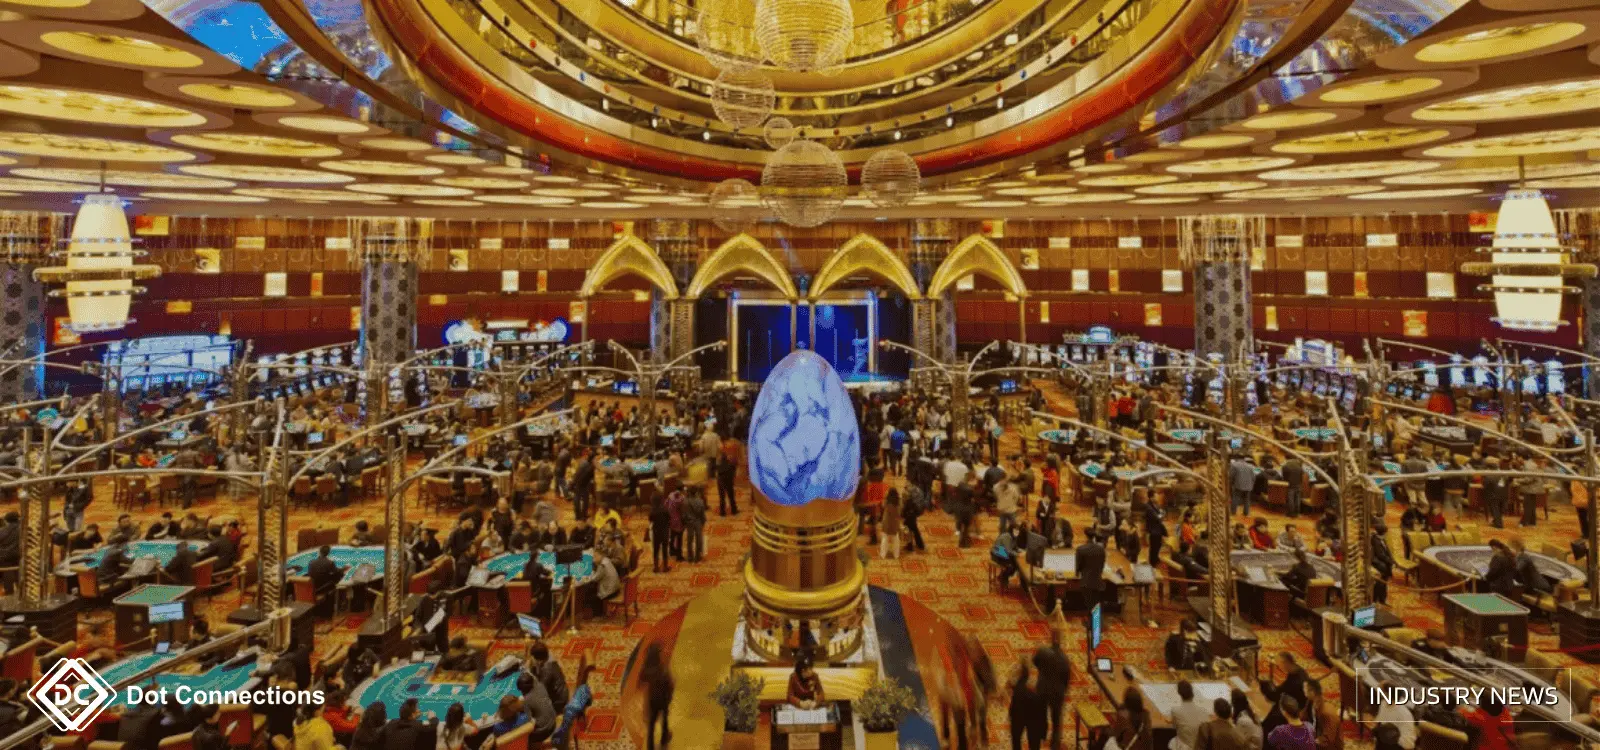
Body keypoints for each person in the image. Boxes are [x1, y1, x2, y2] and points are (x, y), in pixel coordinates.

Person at [1033, 629, 1071, 750]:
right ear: (1060, 641)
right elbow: (1066, 679)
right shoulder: (1065, 660)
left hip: (1043, 689)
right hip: (1057, 694)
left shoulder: (1043, 651)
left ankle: (1041, 735)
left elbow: (1035, 662)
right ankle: (1054, 746)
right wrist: (1063, 691)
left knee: (1041, 715)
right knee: (1056, 721)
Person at [640, 643, 674, 750]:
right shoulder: (661, 670)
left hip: (652, 699)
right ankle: (664, 737)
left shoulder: (647, 668)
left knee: (651, 725)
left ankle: (650, 747)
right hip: (662, 699)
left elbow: (641, 679)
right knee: (664, 718)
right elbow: (669, 683)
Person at [1008, 661, 1046, 750]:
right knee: (1034, 743)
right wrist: (1043, 732)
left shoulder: (1018, 689)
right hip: (1033, 720)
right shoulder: (1037, 692)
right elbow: (1042, 712)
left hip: (1018, 718)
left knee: (1016, 740)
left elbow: (1013, 706)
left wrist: (1011, 715)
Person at [1372, 683, 1416, 750]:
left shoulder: (1404, 714)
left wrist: (1391, 740)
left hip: (1397, 745)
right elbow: (1379, 721)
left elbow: (1408, 743)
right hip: (1384, 738)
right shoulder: (1384, 703)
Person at [530, 642, 569, 712]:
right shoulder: (550, 658)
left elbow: (541, 690)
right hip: (561, 693)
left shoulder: (547, 669)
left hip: (558, 702)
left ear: (538, 660)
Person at [1173, 681, 1210, 750]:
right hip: (1201, 747)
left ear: (1179, 693)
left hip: (1186, 747)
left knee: (1173, 742)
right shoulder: (1204, 711)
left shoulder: (1175, 711)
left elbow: (1174, 726)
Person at [1304, 680, 1339, 750]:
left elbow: (1328, 739)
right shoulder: (1310, 701)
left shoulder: (1326, 713)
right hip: (1316, 733)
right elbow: (1304, 716)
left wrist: (1311, 742)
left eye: (1305, 689)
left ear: (1312, 692)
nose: (1303, 690)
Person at [683, 487, 707, 563]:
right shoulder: (700, 501)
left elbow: (684, 514)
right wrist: (703, 522)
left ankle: (690, 557)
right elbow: (702, 514)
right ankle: (697, 556)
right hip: (698, 522)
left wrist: (685, 522)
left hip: (689, 522)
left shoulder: (685, 502)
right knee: (698, 539)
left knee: (689, 540)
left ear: (689, 493)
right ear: (696, 492)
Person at [648, 496, 672, 573]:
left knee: (656, 550)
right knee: (665, 550)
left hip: (656, 532)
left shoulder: (652, 511)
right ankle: (665, 567)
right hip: (665, 531)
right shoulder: (665, 509)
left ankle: (656, 568)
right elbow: (669, 518)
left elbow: (650, 520)